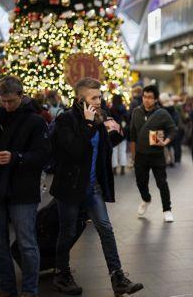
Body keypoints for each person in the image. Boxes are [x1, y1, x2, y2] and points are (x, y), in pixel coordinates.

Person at [50, 78, 143, 295]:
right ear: (80, 99)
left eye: (100, 96)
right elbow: (75, 149)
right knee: (68, 231)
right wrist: (90, 124)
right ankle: (61, 274)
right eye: (94, 97)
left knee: (106, 229)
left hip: (92, 188)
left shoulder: (100, 117)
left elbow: (103, 149)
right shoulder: (66, 119)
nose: (99, 100)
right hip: (69, 187)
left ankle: (117, 277)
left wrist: (117, 132)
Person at [0, 76, 51, 297]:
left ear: (21, 95)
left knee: (27, 243)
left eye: (10, 101)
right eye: (2, 101)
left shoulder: (36, 122)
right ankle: (6, 288)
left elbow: (43, 155)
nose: (6, 105)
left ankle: (29, 289)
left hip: (23, 192)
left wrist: (15, 157)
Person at [130, 85, 176, 223]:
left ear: (155, 99)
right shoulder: (136, 112)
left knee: (162, 183)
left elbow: (173, 130)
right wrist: (133, 155)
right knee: (140, 182)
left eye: (150, 97)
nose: (147, 100)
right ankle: (146, 199)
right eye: (145, 97)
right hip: (140, 155)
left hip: (157, 154)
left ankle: (167, 209)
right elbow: (132, 134)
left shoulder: (162, 113)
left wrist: (166, 141)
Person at [110, 94, 129, 175]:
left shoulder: (111, 108)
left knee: (114, 150)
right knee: (122, 150)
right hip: (122, 131)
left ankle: (114, 168)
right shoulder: (124, 108)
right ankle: (122, 168)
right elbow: (127, 119)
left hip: (113, 131)